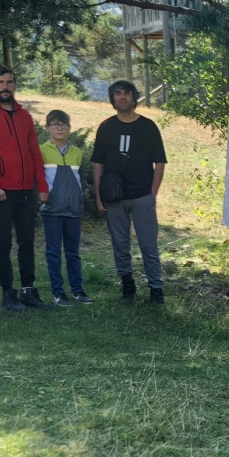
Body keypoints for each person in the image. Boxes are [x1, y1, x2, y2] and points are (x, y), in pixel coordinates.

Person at [0, 66, 51, 313]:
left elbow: (34, 153)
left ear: (15, 85)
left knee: (27, 242)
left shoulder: (25, 117)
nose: (5, 86)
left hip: (25, 190)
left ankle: (28, 289)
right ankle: (8, 292)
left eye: (9, 82)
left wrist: (42, 186)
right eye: (0, 82)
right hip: (0, 193)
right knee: (3, 243)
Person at [91, 80, 168, 304]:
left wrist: (153, 193)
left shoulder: (147, 126)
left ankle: (156, 289)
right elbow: (97, 163)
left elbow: (160, 162)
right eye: (118, 94)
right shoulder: (106, 127)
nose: (123, 97)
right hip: (114, 196)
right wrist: (98, 193)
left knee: (148, 244)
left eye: (127, 93)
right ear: (112, 99)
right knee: (120, 243)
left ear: (134, 98)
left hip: (142, 195)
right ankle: (127, 287)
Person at [40, 110, 92, 304]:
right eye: (55, 124)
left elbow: (82, 181)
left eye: (63, 124)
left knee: (73, 252)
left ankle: (78, 290)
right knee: (53, 252)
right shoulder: (41, 150)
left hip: (73, 209)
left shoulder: (77, 153)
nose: (59, 128)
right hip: (51, 210)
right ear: (47, 128)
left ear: (69, 128)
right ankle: (58, 292)